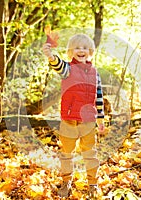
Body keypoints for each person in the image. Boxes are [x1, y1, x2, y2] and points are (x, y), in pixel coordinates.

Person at [42, 33, 105, 198]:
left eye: (84, 48)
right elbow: (57, 64)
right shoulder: (68, 69)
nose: (81, 50)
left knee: (90, 153)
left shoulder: (95, 73)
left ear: (90, 51)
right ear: (71, 51)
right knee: (67, 153)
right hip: (69, 120)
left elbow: (99, 96)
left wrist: (100, 119)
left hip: (88, 120)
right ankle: (66, 182)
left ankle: (93, 184)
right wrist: (50, 55)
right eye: (77, 47)